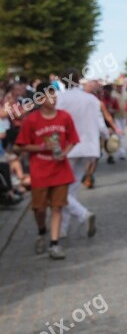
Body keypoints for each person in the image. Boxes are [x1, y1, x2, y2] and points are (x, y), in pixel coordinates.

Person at [14, 83, 79, 259]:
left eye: (54, 95)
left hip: (60, 170)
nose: (54, 99)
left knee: (57, 207)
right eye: (50, 96)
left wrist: (64, 153)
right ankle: (42, 230)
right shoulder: (31, 121)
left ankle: (54, 244)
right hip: (40, 171)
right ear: (40, 99)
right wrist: (42, 147)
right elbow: (20, 146)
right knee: (39, 209)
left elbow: (73, 139)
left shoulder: (65, 117)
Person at [55, 69, 105, 239]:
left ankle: (81, 215)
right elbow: (100, 124)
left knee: (61, 190)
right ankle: (63, 227)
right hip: (88, 147)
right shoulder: (91, 99)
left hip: (67, 148)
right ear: (78, 80)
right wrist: (106, 137)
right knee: (72, 189)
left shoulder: (60, 99)